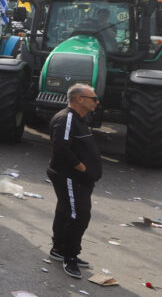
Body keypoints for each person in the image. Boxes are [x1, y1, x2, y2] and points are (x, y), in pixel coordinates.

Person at [48, 84, 103, 279]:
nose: (97, 102)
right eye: (93, 98)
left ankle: (59, 249)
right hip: (70, 177)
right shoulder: (67, 118)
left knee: (65, 211)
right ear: (80, 99)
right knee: (78, 216)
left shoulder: (79, 119)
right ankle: (70, 257)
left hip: (80, 179)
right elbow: (61, 148)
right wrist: (82, 168)